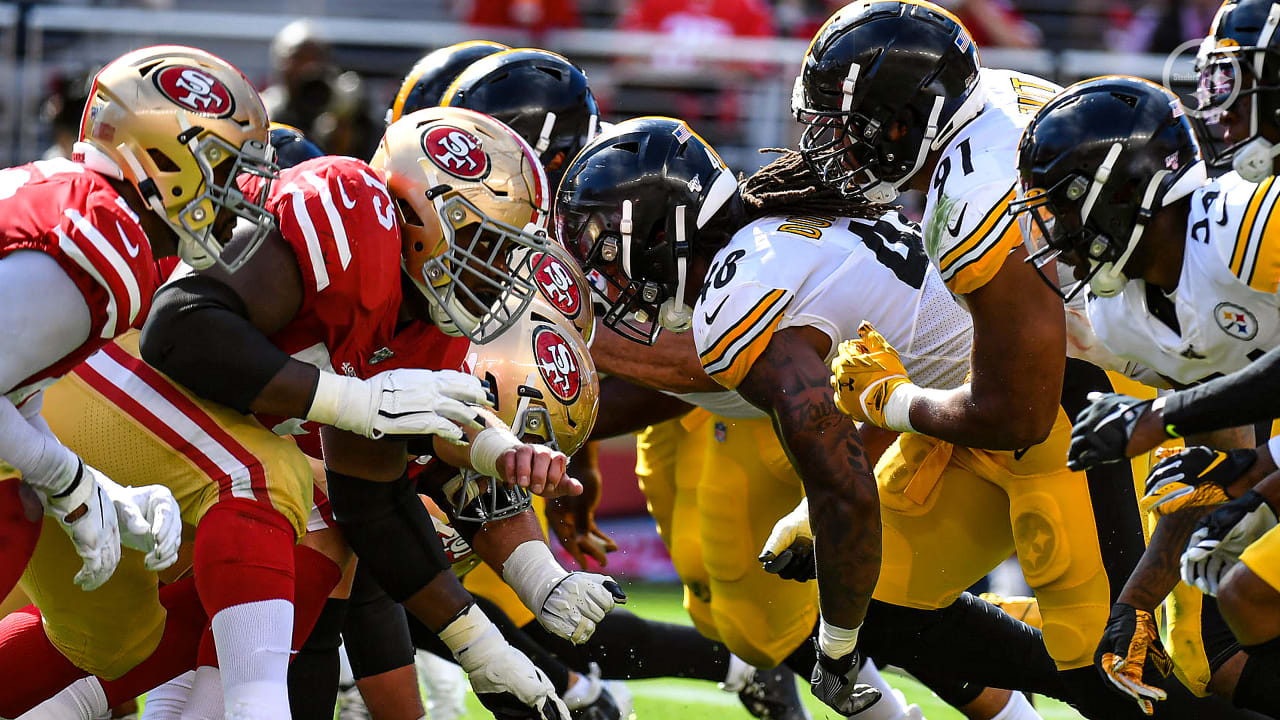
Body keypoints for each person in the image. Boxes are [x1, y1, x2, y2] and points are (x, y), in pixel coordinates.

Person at [790, 1, 1252, 717]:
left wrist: (889, 402)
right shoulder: (985, 103)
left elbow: (1018, 412)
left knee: (1130, 663)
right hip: (1053, 375)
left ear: (906, 120)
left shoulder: (974, 189)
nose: (837, 148)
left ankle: (1092, 659)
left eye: (852, 126)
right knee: (873, 586)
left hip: (1099, 401)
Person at [558, 115, 1075, 720]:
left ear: (658, 232)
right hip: (965, 409)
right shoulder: (768, 240)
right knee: (882, 600)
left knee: (1095, 647)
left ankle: (1045, 645)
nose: (605, 277)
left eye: (607, 250)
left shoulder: (742, 287)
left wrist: (836, 644)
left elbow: (843, 484)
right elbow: (883, 361)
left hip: (1024, 410)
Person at [136, 105, 620, 719]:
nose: (499, 275)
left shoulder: (424, 325)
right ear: (420, 214)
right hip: (117, 397)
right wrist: (356, 402)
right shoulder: (350, 212)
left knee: (131, 655)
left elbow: (370, 502)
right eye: (489, 246)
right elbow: (177, 330)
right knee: (297, 507)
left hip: (203, 464)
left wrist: (483, 646)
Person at [1013, 74, 1280, 717]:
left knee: (1247, 594)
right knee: (1210, 648)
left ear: (1126, 190)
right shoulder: (1121, 316)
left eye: (1064, 205)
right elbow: (1213, 467)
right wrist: (1134, 605)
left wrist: (1161, 416)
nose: (1054, 231)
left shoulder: (1249, 224)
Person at [0, 43, 273, 611]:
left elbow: (14, 392)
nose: (238, 203)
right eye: (227, 173)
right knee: (11, 515)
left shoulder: (80, 198)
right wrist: (64, 476)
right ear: (166, 158)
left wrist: (100, 494)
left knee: (14, 503)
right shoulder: (103, 243)